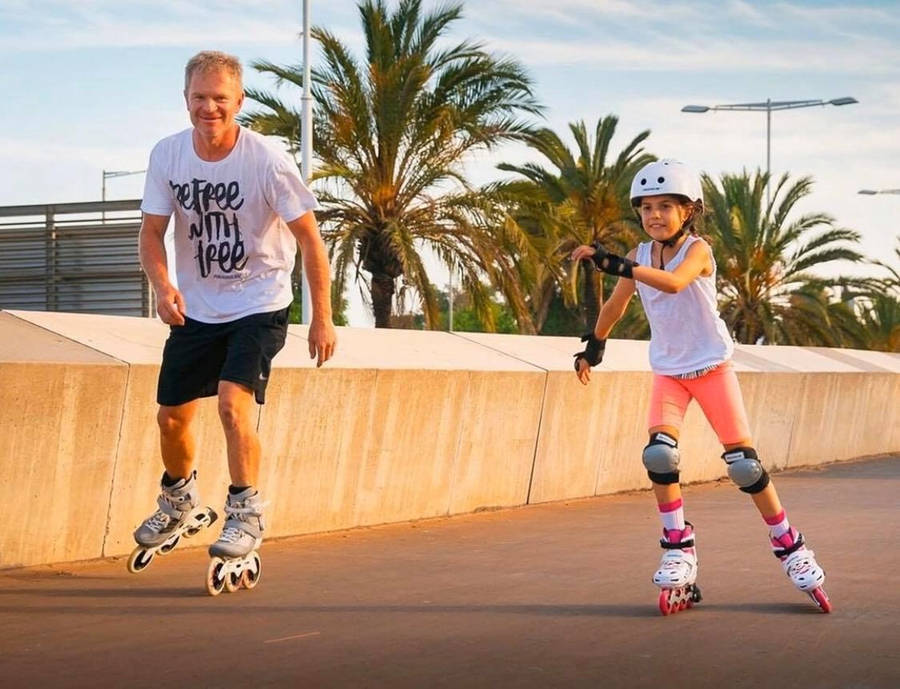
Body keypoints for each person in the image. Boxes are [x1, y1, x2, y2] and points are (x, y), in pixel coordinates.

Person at [570, 159, 830, 614]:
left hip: (711, 369)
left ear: (688, 211)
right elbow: (615, 303)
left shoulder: (699, 250)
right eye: (647, 207)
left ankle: (790, 545)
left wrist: (614, 263)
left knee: (744, 466)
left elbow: (673, 285)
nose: (655, 215)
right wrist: (595, 345)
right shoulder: (641, 254)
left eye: (666, 206)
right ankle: (678, 547)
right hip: (669, 372)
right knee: (659, 455)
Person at [132, 50, 336, 583]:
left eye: (220, 98)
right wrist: (162, 286)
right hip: (196, 308)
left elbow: (311, 240)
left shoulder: (266, 159)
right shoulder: (168, 155)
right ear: (185, 100)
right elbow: (151, 233)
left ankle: (245, 512)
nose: (209, 108)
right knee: (171, 417)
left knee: (230, 401)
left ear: (238, 101)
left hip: (259, 303)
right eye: (199, 98)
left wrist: (322, 319)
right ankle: (179, 502)